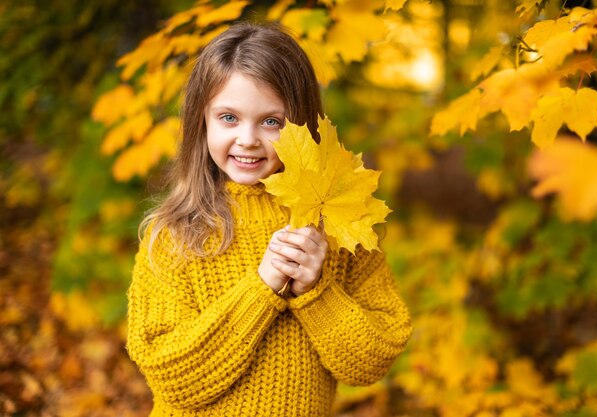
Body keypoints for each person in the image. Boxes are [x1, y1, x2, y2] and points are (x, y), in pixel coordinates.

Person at [126, 21, 412, 417]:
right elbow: (173, 377)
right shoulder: (176, 232)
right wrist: (263, 289)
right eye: (228, 117)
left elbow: (372, 362)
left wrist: (317, 292)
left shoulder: (334, 220)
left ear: (302, 123)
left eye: (271, 121)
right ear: (201, 120)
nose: (248, 138)